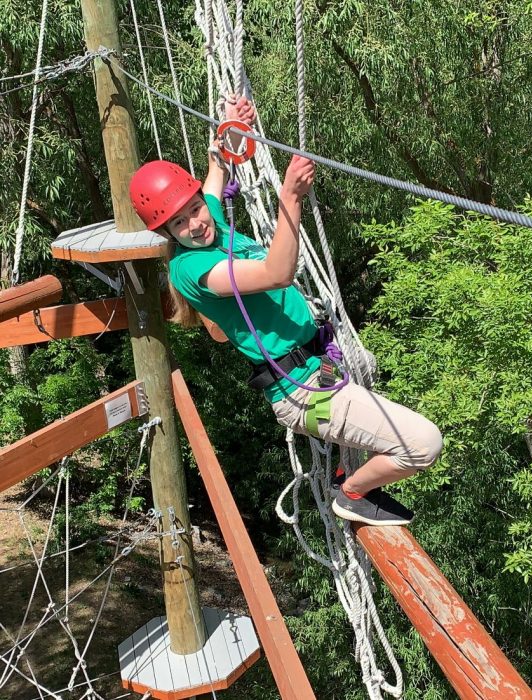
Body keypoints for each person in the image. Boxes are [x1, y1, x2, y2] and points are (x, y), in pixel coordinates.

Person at [129, 95, 443, 526]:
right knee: (423, 444)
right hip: (301, 389)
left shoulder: (211, 221)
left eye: (195, 209)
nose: (196, 223)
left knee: (365, 365)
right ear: (166, 232)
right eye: (179, 223)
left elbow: (216, 172)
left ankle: (348, 466)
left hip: (316, 363)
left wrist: (230, 128)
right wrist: (289, 199)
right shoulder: (192, 268)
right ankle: (351, 492)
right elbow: (278, 273)